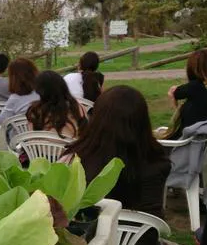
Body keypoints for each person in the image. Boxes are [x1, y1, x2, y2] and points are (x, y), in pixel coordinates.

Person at [65, 86, 171, 216]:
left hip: (90, 234)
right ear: (143, 122)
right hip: (141, 233)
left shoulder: (78, 160)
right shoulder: (157, 161)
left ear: (97, 119)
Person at [27, 70, 87, 138]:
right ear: (63, 86)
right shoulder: (77, 107)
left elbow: (32, 136)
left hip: (41, 148)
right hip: (73, 147)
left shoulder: (34, 111)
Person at [0, 58, 41, 124]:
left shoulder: (14, 98)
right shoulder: (43, 94)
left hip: (20, 133)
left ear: (13, 78)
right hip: (43, 133)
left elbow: (1, 121)